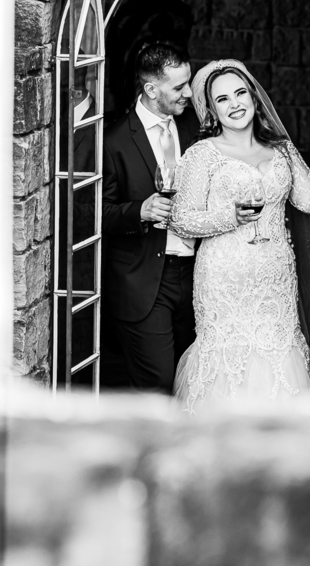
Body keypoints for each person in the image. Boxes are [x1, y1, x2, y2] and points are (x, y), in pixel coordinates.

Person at [170, 59, 310, 414]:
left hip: (275, 278)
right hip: (224, 280)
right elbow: (181, 220)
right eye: (223, 99)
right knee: (227, 361)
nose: (235, 104)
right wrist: (229, 217)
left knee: (280, 356)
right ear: (212, 110)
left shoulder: (281, 150)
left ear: (253, 97)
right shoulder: (201, 155)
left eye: (240, 93)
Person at [101, 42, 198, 393]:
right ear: (151, 90)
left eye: (188, 83)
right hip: (144, 281)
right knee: (157, 384)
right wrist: (138, 211)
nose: (189, 93)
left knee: (194, 380)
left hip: (197, 276)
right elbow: (92, 214)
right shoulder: (112, 141)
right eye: (179, 87)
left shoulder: (194, 126)